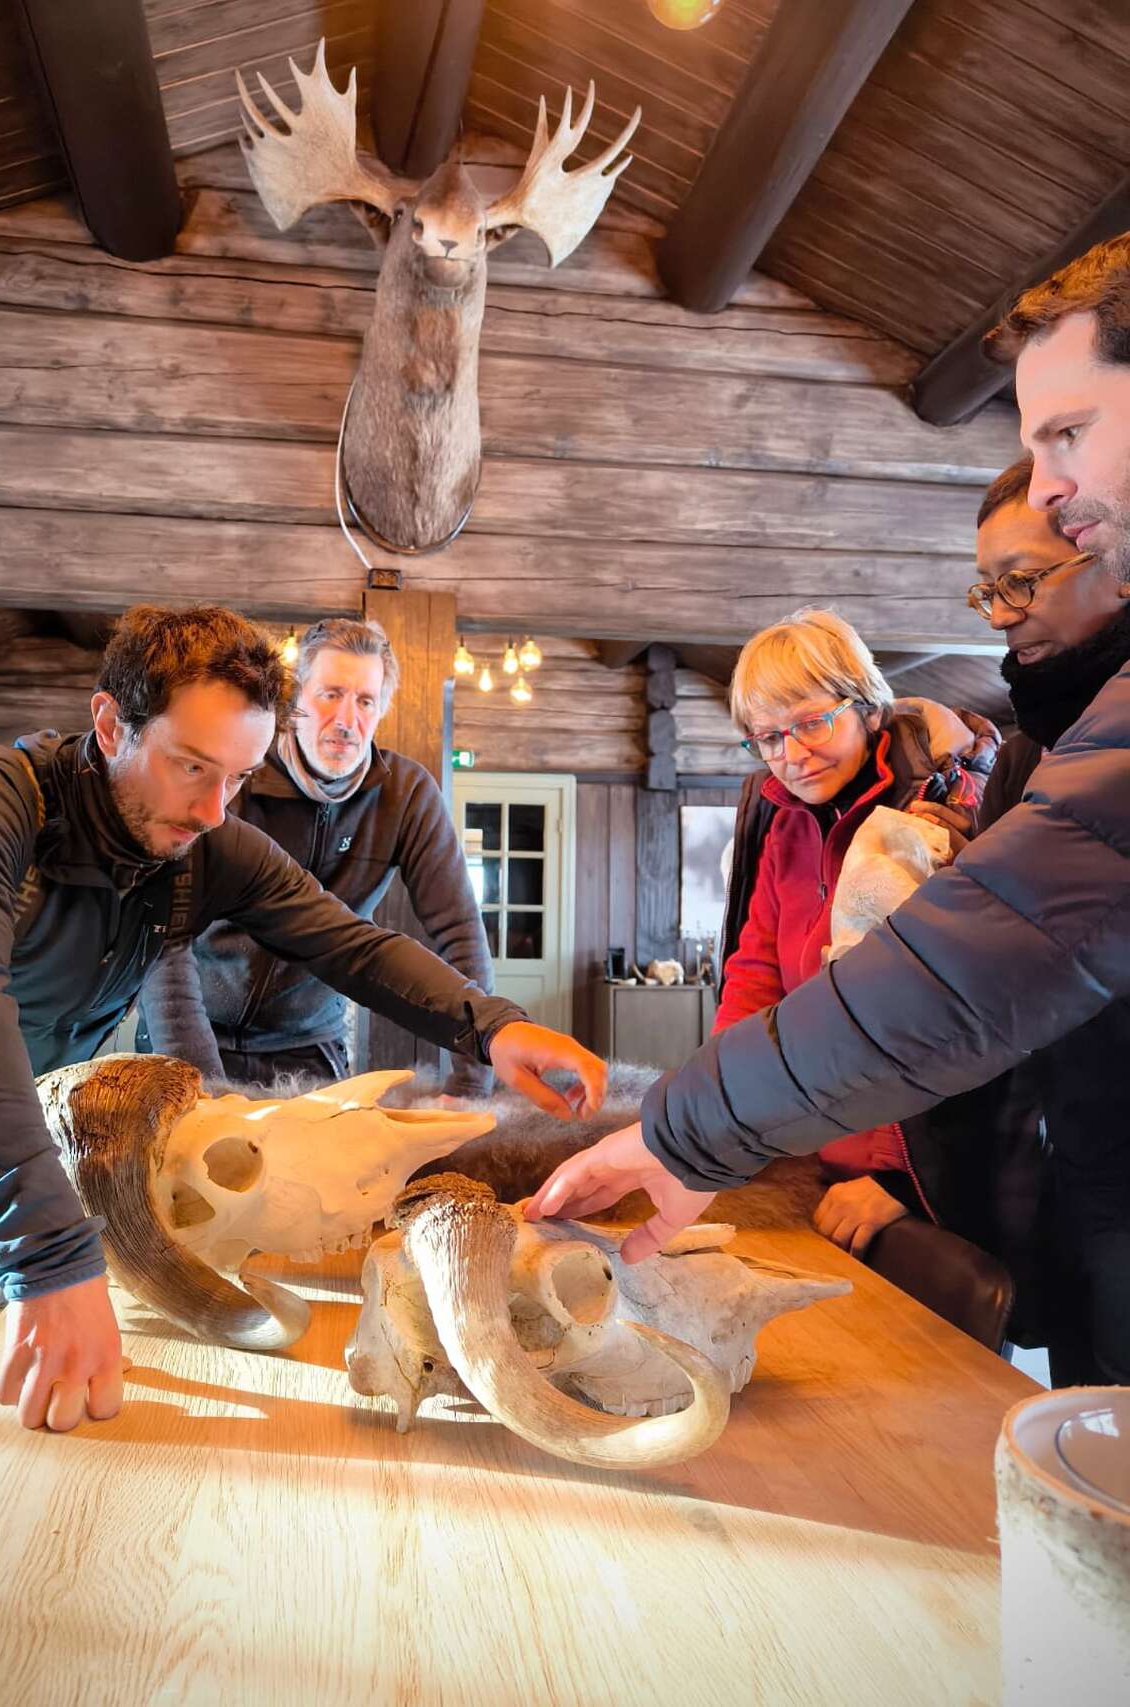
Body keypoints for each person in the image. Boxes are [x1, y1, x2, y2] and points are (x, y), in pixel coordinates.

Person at [527, 234, 1130, 1383]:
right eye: (1031, 445)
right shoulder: (790, 810)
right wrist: (718, 1130)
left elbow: (967, 973)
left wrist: (694, 1130)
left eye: (1067, 434)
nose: (1051, 488)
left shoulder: (950, 788)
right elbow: (768, 960)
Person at [0, 606, 605, 1430]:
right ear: (110, 723)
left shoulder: (205, 842)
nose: (216, 810)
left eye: (239, 779)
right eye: (191, 767)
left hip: (28, 1133)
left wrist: (490, 1025)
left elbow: (347, 942)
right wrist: (50, 1258)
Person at [713, 608, 998, 1254]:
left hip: (911, 1173)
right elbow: (753, 979)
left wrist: (904, 1181)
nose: (792, 754)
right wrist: (721, 1110)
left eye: (811, 722)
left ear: (868, 707)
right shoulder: (784, 827)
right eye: (768, 737)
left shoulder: (941, 814)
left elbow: (974, 1022)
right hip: (809, 1156)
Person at [138, 617, 494, 1098]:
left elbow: (460, 934)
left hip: (308, 1048)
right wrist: (201, 1087)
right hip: (193, 1034)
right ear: (296, 698)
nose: (346, 720)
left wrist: (472, 1080)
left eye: (365, 701)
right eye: (331, 694)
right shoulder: (236, 777)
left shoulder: (405, 795)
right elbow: (166, 936)